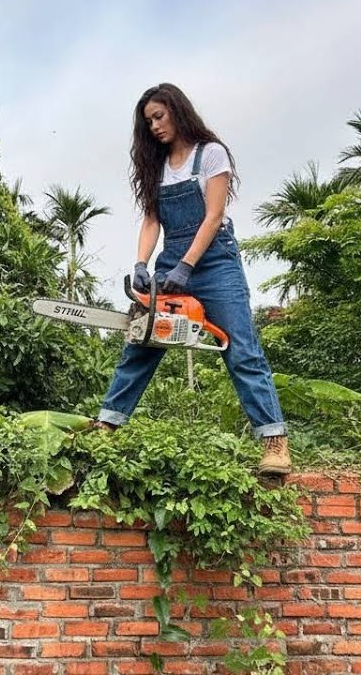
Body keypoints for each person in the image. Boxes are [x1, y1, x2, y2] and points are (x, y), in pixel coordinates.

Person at [92, 83, 290, 475]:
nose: (154, 126)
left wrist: (186, 267)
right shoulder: (156, 166)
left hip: (216, 263)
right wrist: (142, 264)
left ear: (177, 111)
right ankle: (107, 425)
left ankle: (274, 442)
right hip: (171, 261)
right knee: (143, 341)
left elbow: (213, 217)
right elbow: (152, 221)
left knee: (241, 349)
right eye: (148, 121)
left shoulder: (210, 154)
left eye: (159, 116)